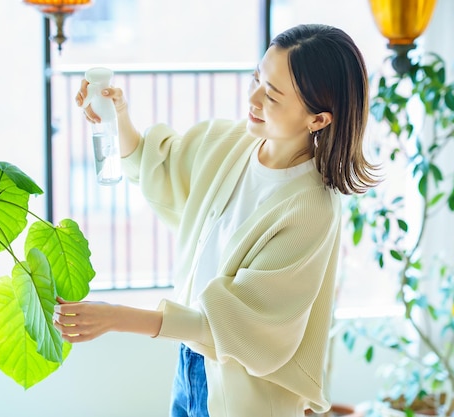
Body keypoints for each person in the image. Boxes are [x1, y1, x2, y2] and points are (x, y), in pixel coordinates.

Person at [53, 23, 378, 417]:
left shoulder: (310, 210)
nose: (253, 98)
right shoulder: (229, 143)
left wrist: (115, 318)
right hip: (190, 365)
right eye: (257, 79)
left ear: (318, 120)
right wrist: (116, 116)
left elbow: (235, 326)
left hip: (246, 398)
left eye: (272, 95)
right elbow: (155, 165)